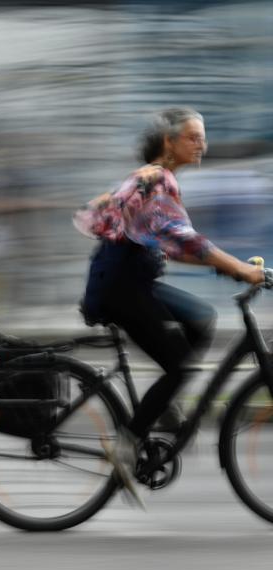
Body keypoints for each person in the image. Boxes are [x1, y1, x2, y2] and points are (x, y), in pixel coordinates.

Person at [74, 107, 263, 481]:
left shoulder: (154, 179)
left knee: (201, 320)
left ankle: (162, 406)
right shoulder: (156, 179)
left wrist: (224, 266)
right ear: (168, 142)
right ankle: (126, 443)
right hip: (121, 289)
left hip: (130, 282)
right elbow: (183, 241)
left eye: (203, 137)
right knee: (179, 366)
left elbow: (172, 244)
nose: (202, 145)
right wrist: (238, 268)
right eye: (194, 137)